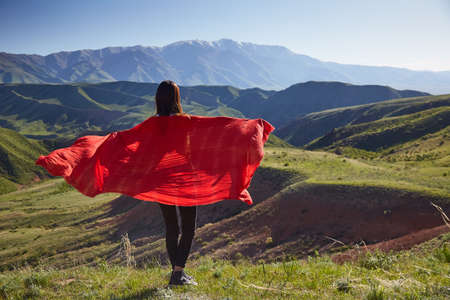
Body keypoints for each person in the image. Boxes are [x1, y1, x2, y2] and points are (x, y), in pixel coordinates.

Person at [154, 80, 198, 286]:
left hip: (161, 180)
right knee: (188, 227)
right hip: (183, 179)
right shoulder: (184, 121)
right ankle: (178, 273)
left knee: (172, 228)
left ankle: (176, 274)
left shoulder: (152, 124)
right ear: (176, 98)